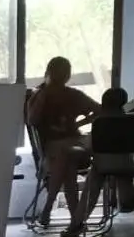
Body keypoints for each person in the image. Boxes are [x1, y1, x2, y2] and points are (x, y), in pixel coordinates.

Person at [61, 87, 134, 237]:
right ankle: (128, 201)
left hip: (102, 165)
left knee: (91, 186)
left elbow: (90, 148)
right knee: (125, 181)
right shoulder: (130, 121)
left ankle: (76, 224)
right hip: (125, 165)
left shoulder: (99, 122)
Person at [27, 57, 99, 227]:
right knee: (67, 162)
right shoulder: (42, 95)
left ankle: (49, 207)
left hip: (63, 148)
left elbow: (99, 109)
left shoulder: (70, 95)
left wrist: (78, 124)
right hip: (61, 149)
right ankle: (75, 217)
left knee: (65, 156)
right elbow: (32, 120)